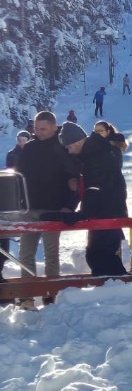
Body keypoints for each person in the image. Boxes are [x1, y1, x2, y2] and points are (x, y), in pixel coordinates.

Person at [15, 113, 80, 301]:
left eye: (42, 129)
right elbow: (19, 176)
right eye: (36, 128)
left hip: (53, 209)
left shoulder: (63, 147)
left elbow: (74, 180)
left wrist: (69, 206)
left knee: (51, 254)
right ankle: (28, 296)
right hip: (29, 208)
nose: (38, 132)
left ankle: (51, 296)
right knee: (26, 253)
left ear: (53, 127)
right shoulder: (29, 148)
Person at [53, 121, 128, 276]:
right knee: (97, 255)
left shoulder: (96, 155)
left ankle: (117, 290)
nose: (69, 151)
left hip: (107, 213)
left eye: (70, 147)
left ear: (78, 141)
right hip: (103, 212)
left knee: (100, 256)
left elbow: (95, 187)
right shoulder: (92, 153)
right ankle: (114, 289)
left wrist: (82, 213)